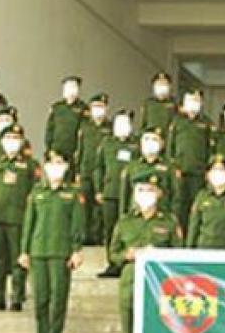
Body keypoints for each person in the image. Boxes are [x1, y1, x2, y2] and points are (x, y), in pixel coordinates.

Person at [110, 168, 183, 333]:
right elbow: (113, 254)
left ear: (159, 193)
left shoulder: (169, 222)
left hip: (158, 290)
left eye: (150, 190)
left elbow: (178, 256)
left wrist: (158, 254)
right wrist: (127, 255)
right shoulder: (125, 222)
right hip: (130, 287)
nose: (145, 194)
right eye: (140, 189)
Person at [19, 151, 85, 333]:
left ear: (66, 167)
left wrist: (77, 249)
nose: (55, 166)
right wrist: (24, 250)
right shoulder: (37, 192)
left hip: (61, 251)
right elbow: (29, 223)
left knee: (58, 298)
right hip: (38, 250)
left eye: (59, 162)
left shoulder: (72, 194)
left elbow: (77, 224)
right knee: (40, 298)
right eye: (51, 162)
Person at [0, 124, 40, 311]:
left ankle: (17, 297)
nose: (12, 142)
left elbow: (36, 192)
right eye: (8, 138)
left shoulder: (30, 165)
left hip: (18, 217)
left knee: (18, 259)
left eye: (15, 138)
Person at [94, 110, 139, 278]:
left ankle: (128, 262)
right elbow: (98, 167)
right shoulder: (106, 143)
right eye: (119, 123)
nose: (122, 127)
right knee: (110, 229)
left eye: (126, 123)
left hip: (130, 194)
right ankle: (113, 262)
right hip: (110, 192)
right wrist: (99, 189)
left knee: (129, 228)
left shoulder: (136, 144)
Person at [167, 89, 213, 231]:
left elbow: (210, 148)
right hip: (179, 171)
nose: (193, 103)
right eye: (190, 100)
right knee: (179, 205)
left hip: (198, 172)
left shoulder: (206, 123)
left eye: (196, 100)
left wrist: (208, 171)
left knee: (195, 205)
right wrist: (173, 167)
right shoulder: (177, 122)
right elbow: (170, 147)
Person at [186, 156, 225, 249]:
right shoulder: (201, 196)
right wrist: (189, 249)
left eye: (221, 169)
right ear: (208, 174)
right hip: (205, 248)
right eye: (214, 170)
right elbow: (194, 226)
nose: (218, 173)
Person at [75, 93, 112, 245]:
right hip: (86, 170)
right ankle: (85, 235)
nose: (98, 109)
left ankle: (97, 236)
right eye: (95, 106)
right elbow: (79, 150)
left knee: (99, 206)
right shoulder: (85, 127)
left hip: (103, 172)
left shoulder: (110, 128)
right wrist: (77, 172)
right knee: (85, 204)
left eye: (101, 106)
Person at [120, 128, 182, 216]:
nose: (150, 142)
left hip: (162, 217)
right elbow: (124, 196)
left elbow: (176, 196)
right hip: (136, 217)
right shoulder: (131, 167)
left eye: (154, 139)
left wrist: (173, 218)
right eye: (146, 139)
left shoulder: (170, 168)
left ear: (162, 143)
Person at [45, 76, 87, 160]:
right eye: (68, 87)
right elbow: (50, 130)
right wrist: (49, 149)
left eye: (74, 87)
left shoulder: (83, 108)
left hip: (74, 153)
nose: (71, 90)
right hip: (56, 152)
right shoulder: (57, 107)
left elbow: (85, 132)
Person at [139, 72, 178, 140]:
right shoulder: (148, 104)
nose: (161, 87)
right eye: (159, 84)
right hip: (150, 140)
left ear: (169, 87)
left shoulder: (175, 104)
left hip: (168, 140)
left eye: (164, 84)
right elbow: (142, 126)